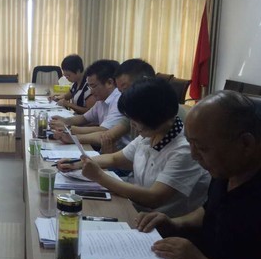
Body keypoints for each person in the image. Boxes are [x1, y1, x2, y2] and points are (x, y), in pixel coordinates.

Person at [136, 91, 261, 259]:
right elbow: (211, 209)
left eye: (202, 148)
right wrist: (176, 223)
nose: (194, 155)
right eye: (190, 144)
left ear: (246, 143)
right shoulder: (230, 165)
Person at [59, 78, 210, 217]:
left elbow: (153, 198)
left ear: (154, 115)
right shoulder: (150, 135)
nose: (132, 125)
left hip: (164, 225)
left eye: (135, 119)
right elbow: (115, 158)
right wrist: (77, 163)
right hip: (137, 211)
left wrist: (99, 176)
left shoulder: (184, 150)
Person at [51, 59, 131, 149]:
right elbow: (84, 118)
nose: (91, 91)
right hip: (105, 148)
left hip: (117, 151)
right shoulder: (101, 99)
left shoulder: (118, 100)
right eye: (89, 87)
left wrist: (69, 129)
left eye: (93, 86)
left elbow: (104, 131)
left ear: (109, 83)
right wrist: (64, 120)